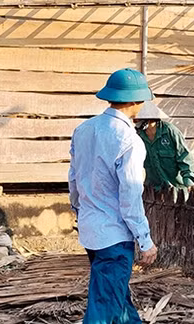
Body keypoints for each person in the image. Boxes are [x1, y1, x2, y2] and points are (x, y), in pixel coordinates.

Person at [69, 68, 157, 324]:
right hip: (115, 236)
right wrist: (145, 240)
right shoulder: (129, 140)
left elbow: (73, 178)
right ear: (136, 102)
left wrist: (79, 211)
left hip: (90, 230)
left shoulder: (83, 130)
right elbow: (130, 195)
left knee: (115, 296)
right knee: (104, 306)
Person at [136, 101, 194, 191]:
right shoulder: (138, 136)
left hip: (176, 188)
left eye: (138, 118)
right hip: (153, 189)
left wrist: (189, 180)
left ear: (148, 119)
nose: (135, 121)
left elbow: (184, 156)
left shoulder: (170, 131)